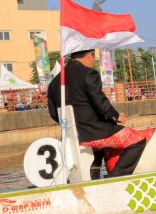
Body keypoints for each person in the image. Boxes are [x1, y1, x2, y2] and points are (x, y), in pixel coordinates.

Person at [48, 49, 146, 178]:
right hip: (92, 133)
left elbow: (54, 113)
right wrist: (117, 117)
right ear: (90, 56)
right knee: (137, 139)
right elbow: (101, 103)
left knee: (98, 147)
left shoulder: (55, 82)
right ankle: (115, 179)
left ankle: (93, 178)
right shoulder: (89, 73)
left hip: (70, 136)